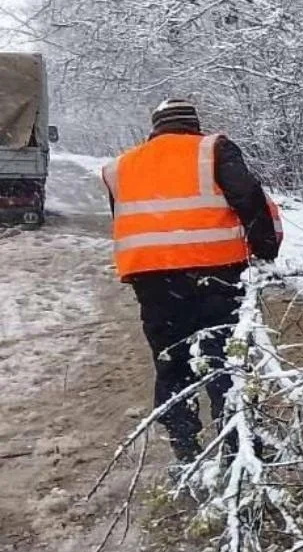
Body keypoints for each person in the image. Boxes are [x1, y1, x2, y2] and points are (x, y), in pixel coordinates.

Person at [100, 99, 279, 465]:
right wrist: (265, 249)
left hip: (153, 283)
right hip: (215, 274)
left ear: (155, 128)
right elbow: (249, 198)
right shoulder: (214, 149)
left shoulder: (121, 166)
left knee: (172, 365)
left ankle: (187, 456)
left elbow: (126, 219)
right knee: (226, 361)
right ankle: (241, 455)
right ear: (194, 126)